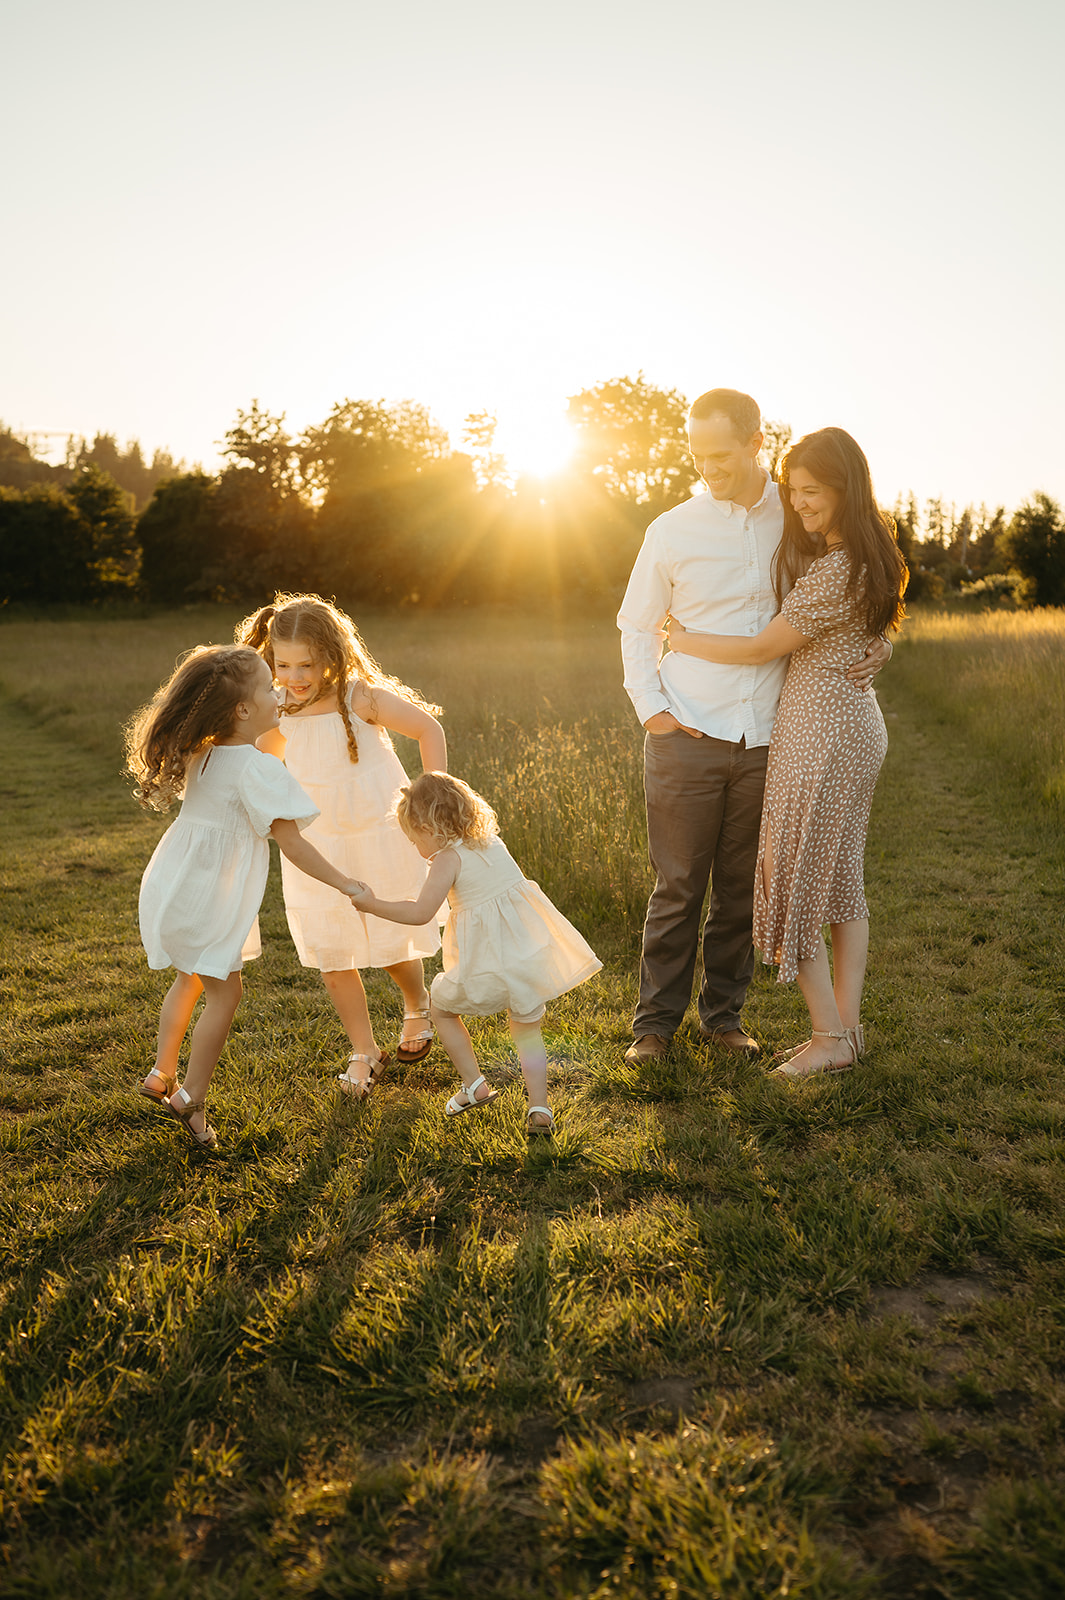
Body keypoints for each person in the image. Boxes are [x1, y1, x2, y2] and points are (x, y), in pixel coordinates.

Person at [617, 388, 889, 1068]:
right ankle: (653, 1026)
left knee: (743, 888)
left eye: (719, 454)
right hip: (686, 731)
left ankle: (723, 1019)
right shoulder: (671, 528)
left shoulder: (797, 514)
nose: (707, 467)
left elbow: (852, 584)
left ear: (753, 442)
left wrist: (881, 645)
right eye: (696, 455)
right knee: (678, 886)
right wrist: (651, 707)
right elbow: (634, 624)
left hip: (772, 735)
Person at [127, 644, 363, 1147]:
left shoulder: (203, 752)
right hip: (213, 897)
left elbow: (256, 757)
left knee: (189, 976)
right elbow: (292, 843)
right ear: (241, 709)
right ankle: (192, 1097)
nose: (278, 691)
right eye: (266, 687)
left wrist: (275, 728)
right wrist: (345, 883)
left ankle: (160, 1070)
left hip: (178, 885)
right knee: (225, 993)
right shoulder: (257, 769)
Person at [237, 594, 446, 1096]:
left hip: (379, 832)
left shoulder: (361, 698)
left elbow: (427, 727)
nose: (294, 676)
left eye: (306, 664)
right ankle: (363, 1050)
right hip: (318, 844)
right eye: (282, 664)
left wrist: (434, 796)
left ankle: (417, 1009)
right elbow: (259, 756)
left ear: (332, 654)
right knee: (332, 951)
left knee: (394, 941)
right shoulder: (279, 708)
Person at [349, 773, 601, 1137]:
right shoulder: (492, 843)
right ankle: (540, 1108)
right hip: (529, 955)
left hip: (487, 963)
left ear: (426, 827)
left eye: (413, 839)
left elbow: (421, 912)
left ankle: (473, 1084)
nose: (416, 847)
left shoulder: (447, 859)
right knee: (527, 1031)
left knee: (440, 1009)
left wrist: (372, 905)